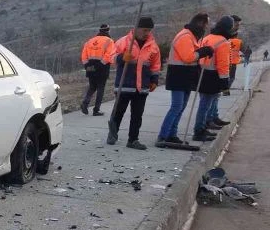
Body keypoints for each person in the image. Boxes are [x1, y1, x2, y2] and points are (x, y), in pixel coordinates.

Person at [156, 13, 212, 147]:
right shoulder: (185, 36)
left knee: (181, 107)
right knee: (176, 106)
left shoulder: (192, 36)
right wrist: (202, 52)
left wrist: (203, 51)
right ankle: (163, 136)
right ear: (200, 23)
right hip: (178, 76)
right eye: (205, 24)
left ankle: (172, 135)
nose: (206, 27)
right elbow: (188, 57)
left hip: (186, 76)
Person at [107, 17, 161, 150]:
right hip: (124, 85)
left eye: (149, 30)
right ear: (136, 28)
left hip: (142, 87)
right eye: (144, 30)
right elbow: (110, 57)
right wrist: (121, 58)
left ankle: (133, 140)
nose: (146, 33)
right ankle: (112, 134)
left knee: (137, 115)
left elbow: (155, 65)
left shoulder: (153, 46)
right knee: (118, 112)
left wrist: (154, 80)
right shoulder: (123, 42)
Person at [194, 16, 234, 142]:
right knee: (206, 105)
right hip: (213, 75)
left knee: (204, 103)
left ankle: (202, 128)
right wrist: (225, 83)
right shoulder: (224, 42)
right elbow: (223, 64)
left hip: (201, 72)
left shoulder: (206, 38)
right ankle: (199, 131)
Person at [80, 24, 116, 116]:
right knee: (100, 88)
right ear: (108, 31)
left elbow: (84, 55)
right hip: (102, 67)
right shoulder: (109, 41)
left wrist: (87, 65)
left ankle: (85, 103)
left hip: (90, 66)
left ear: (99, 31)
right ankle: (96, 110)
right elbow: (109, 55)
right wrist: (101, 65)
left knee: (92, 86)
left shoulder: (90, 41)